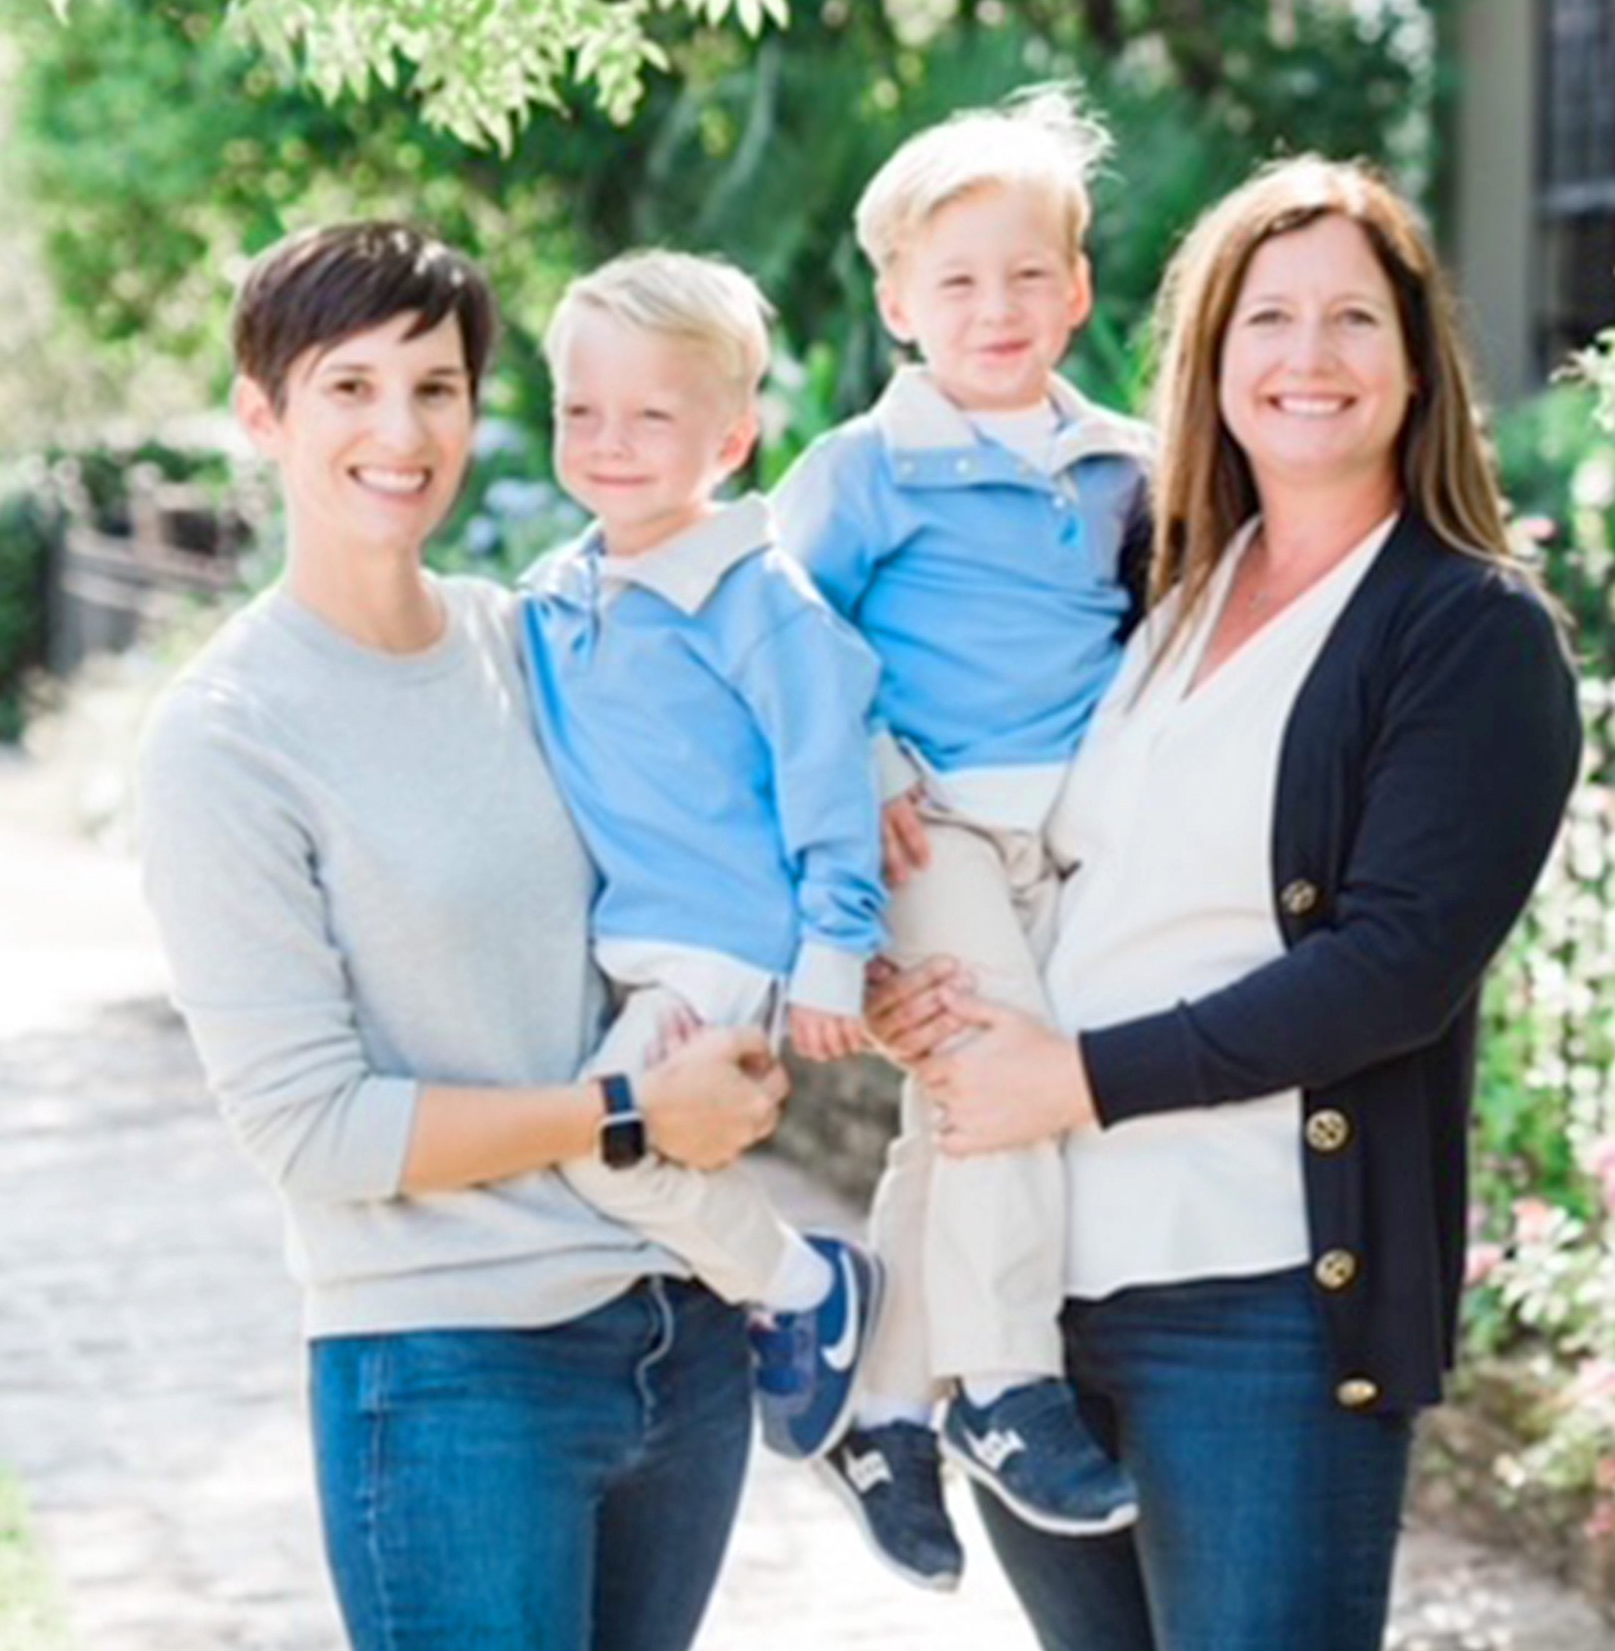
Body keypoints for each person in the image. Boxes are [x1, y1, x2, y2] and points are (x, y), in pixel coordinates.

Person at [873, 157, 1582, 1650]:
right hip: (1043, 1305)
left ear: (1415, 361)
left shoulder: (1466, 629)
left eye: (1351, 320)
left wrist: (1070, 1078)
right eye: (1267, 318)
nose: (1307, 359)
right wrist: (921, 990)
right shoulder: (1159, 577)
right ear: (1209, 356)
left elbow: (1390, 969)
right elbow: (1040, 861)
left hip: (1259, 1304)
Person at [134, 222, 791, 1651]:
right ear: (263, 415)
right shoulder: (226, 739)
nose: (401, 428)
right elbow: (313, 1128)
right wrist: (629, 1110)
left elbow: (722, 808)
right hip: (450, 1376)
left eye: (435, 387)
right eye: (349, 386)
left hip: (678, 1344)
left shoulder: (542, 638)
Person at [768, 88, 1149, 1587]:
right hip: (931, 831)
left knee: (964, 1113)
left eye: (1029, 275)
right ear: (899, 303)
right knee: (1006, 1082)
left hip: (1075, 833)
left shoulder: (1127, 461)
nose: (997, 308)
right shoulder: (869, 465)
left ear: (1079, 291)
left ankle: (878, 1410)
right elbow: (779, 632)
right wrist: (859, 756)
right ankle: (999, 1384)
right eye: (959, 282)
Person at [514, 249, 883, 1464]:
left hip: (721, 939)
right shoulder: (556, 592)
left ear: (730, 443)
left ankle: (802, 1287)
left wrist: (835, 946)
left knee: (610, 1148)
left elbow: (830, 765)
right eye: (582, 412)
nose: (609, 442)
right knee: (612, 1139)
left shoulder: (754, 596)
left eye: (651, 417)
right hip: (629, 934)